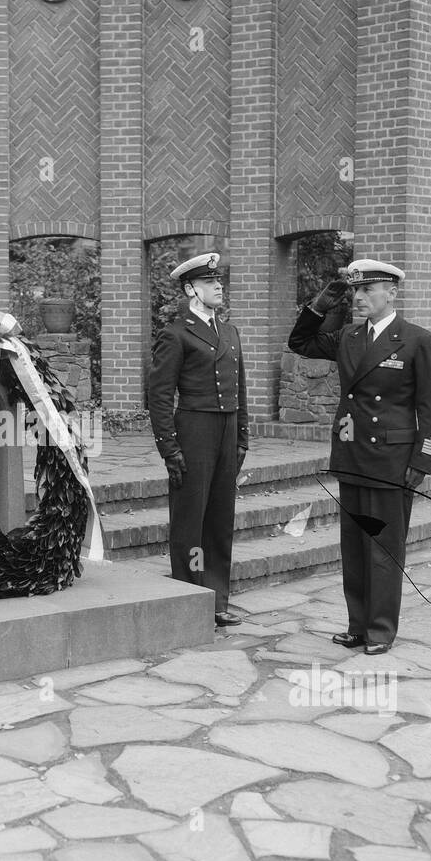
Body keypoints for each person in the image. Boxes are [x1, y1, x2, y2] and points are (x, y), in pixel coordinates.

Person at [288, 258, 431, 656]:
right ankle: (357, 625)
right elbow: (300, 343)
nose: (358, 297)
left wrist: (421, 462)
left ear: (391, 293)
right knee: (354, 546)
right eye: (355, 290)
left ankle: (380, 630)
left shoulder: (417, 340)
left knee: (383, 547)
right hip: (352, 455)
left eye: (367, 290)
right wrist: (321, 303)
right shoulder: (347, 337)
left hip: (391, 461)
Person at [148, 251, 248, 628]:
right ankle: (191, 595)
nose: (219, 286)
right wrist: (169, 448)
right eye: (210, 282)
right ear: (191, 288)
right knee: (191, 518)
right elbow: (159, 394)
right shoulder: (175, 334)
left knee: (220, 517)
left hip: (226, 431)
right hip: (193, 430)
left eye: (219, 280)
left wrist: (243, 437)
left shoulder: (230, 332)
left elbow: (241, 389)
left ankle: (217, 598)